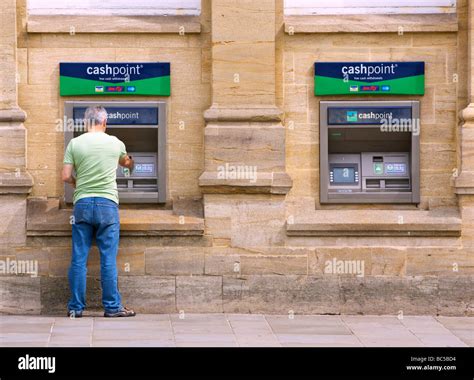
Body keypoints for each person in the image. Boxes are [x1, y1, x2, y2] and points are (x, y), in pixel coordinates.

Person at [62, 106, 136, 318]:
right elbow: (127, 164)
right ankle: (112, 307)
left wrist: (80, 185)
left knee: (78, 258)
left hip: (82, 204)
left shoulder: (75, 143)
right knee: (108, 258)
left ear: (86, 123)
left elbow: (65, 176)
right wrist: (130, 163)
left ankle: (76, 308)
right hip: (107, 205)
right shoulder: (115, 142)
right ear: (105, 123)